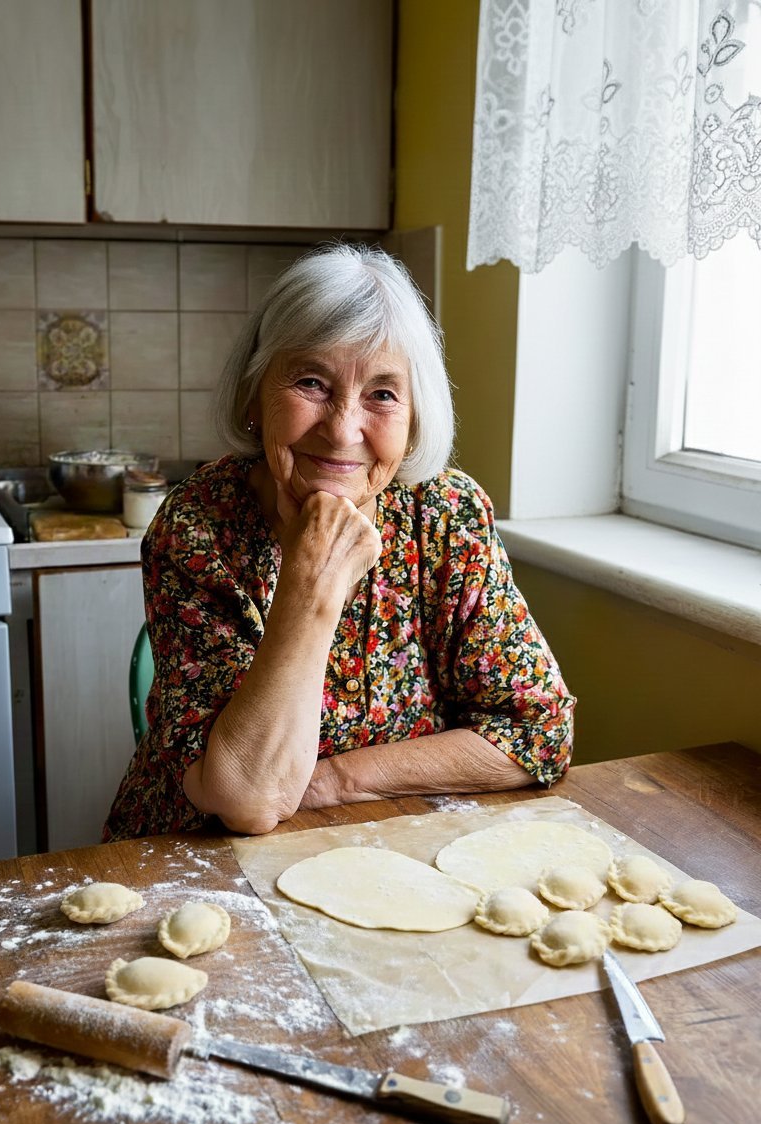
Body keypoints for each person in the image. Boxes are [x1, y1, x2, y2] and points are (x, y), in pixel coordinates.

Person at [103, 243, 575, 841]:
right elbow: (246, 801)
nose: (343, 428)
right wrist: (312, 586)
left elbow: (537, 732)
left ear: (414, 414)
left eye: (382, 393)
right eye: (311, 382)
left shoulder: (446, 514)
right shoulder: (199, 526)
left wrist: (332, 783)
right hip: (194, 857)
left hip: (386, 840)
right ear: (255, 395)